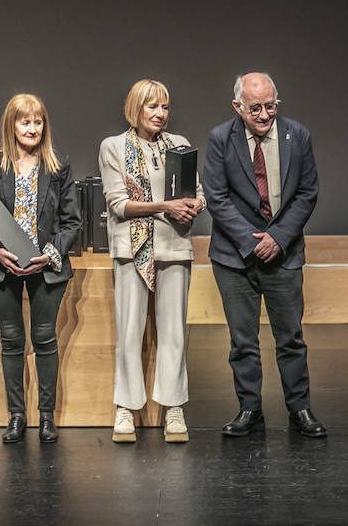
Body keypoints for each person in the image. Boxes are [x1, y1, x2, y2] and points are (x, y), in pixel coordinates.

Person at [204, 72, 326, 438]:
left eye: (270, 105)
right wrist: (253, 240)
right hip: (234, 258)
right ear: (237, 107)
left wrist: (278, 238)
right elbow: (216, 196)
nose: (263, 114)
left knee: (290, 337)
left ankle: (300, 408)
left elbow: (307, 192)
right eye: (255, 107)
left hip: (284, 254)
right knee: (242, 341)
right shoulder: (220, 139)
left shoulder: (297, 136)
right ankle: (249, 409)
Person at [98, 79, 205, 444]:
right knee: (129, 333)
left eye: (164, 107)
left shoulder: (179, 145)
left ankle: (174, 408)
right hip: (132, 249)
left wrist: (194, 205)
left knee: (174, 333)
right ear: (135, 109)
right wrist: (165, 206)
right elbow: (118, 204)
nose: (160, 114)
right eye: (152, 106)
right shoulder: (114, 147)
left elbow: (197, 192)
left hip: (174, 245)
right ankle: (125, 409)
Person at [0, 93, 81, 445]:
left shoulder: (58, 165)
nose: (32, 128)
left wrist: (49, 254)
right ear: (11, 125)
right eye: (25, 121)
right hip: (2, 266)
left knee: (45, 339)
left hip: (45, 266)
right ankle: (17, 416)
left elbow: (71, 221)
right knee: (11, 340)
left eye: (37, 122)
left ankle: (46, 417)